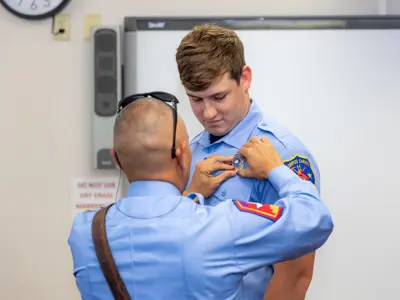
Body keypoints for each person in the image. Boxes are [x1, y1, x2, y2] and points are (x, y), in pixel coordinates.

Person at [68, 94, 333, 300]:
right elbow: (314, 220)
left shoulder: (85, 232)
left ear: (115, 158)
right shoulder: (220, 226)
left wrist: (191, 196)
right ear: (185, 155)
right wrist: (276, 170)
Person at [176, 24, 323, 300]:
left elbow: (294, 277)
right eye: (195, 99)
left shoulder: (284, 154)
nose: (207, 113)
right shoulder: (188, 152)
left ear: (244, 78)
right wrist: (189, 196)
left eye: (219, 97)